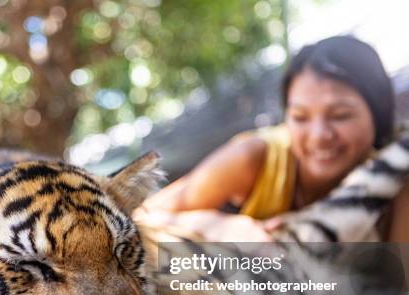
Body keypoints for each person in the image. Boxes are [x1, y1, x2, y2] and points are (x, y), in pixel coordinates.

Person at [137, 36, 409, 242]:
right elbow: (140, 218)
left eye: (340, 115)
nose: (319, 136)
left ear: (378, 112)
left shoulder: (395, 178)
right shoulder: (255, 157)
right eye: (300, 117)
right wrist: (220, 227)